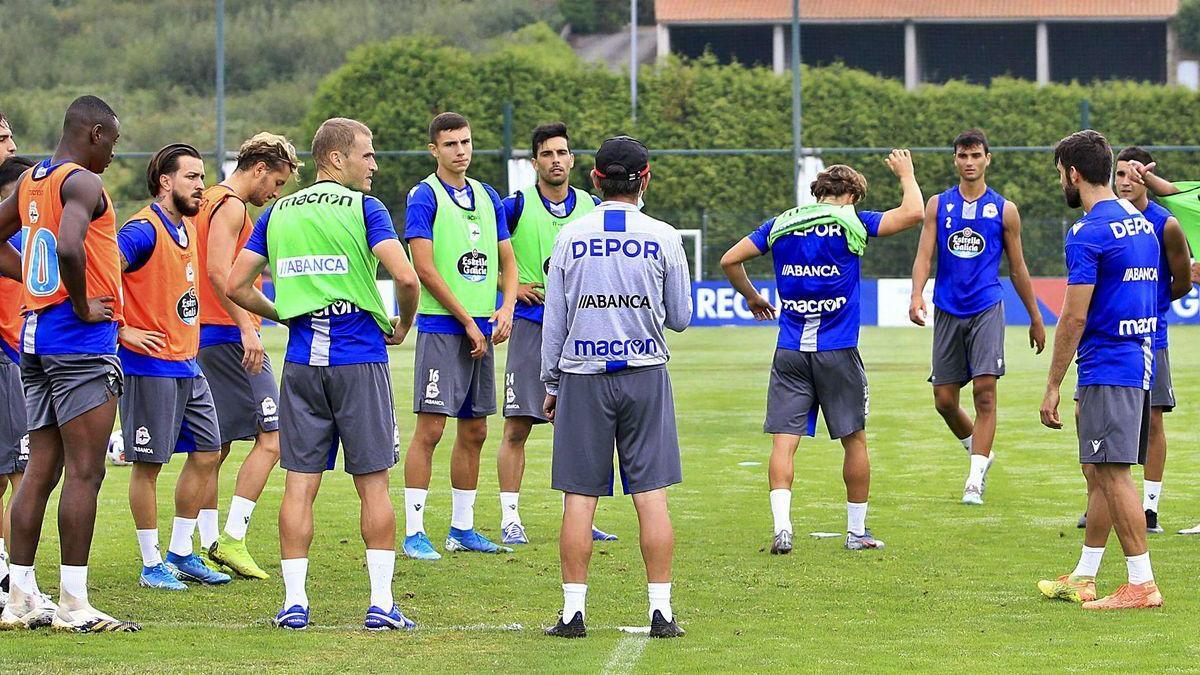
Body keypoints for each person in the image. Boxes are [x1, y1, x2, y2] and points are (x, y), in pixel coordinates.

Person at [227, 117, 420, 631]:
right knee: (373, 484)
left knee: (299, 484)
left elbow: (235, 284)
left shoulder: (277, 211)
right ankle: (381, 605)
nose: (374, 163)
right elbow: (404, 274)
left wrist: (283, 313)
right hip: (358, 356)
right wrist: (402, 322)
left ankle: (295, 603)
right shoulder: (365, 208)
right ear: (336, 158)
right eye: (368, 153)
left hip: (302, 362)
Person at [721, 151, 924, 555]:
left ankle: (782, 528)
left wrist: (753, 297)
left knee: (784, 441)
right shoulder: (854, 221)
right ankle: (856, 532)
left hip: (790, 350)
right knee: (854, 441)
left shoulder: (781, 223)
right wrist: (906, 173)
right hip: (838, 350)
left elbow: (729, 259)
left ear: (818, 193)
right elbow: (914, 213)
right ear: (851, 194)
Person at [541, 135, 690, 639]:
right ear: (645, 178)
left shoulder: (569, 237)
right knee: (650, 496)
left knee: (580, 498)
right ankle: (662, 612)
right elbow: (682, 317)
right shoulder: (666, 236)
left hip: (582, 377)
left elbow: (553, 322)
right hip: (646, 373)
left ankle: (573, 613)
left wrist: (550, 382)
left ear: (594, 179)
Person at [0, 96, 139, 631]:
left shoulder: (33, 178)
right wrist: (79, 302)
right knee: (85, 470)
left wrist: (31, 282)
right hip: (79, 342)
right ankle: (75, 603)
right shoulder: (82, 183)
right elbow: (69, 246)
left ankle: (19, 599)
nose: (113, 154)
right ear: (96, 133)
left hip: (35, 338)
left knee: (39, 469)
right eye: (114, 142)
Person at [1038, 129, 1163, 610]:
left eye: (1060, 175)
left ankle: (1141, 584)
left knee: (1111, 473)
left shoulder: (1088, 232)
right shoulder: (1141, 223)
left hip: (1110, 363)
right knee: (1098, 470)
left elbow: (1073, 315)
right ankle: (1085, 575)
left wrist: (1052, 385)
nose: (1061, 184)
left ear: (1073, 173)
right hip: (1133, 357)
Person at [402, 112, 518, 559]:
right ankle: (414, 531)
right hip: (442, 327)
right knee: (430, 429)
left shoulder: (488, 196)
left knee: (475, 431)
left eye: (466, 142)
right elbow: (424, 267)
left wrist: (505, 307)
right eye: (450, 144)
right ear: (434, 150)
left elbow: (507, 259)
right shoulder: (424, 196)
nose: (461, 151)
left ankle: (462, 528)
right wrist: (469, 321)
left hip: (482, 327)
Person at [909, 129, 1045, 505]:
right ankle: (980, 453)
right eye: (963, 156)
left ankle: (974, 479)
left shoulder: (1005, 210)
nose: (969, 162)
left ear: (988, 159)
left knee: (985, 393)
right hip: (947, 308)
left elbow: (1018, 268)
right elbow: (924, 255)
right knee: (944, 400)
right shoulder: (938, 205)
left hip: (986, 306)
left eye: (975, 155)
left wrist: (1035, 317)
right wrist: (917, 293)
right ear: (955, 160)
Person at [117, 144, 231, 590]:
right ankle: (151, 564)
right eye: (191, 177)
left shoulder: (185, 228)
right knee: (149, 466)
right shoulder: (142, 230)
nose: (200, 186)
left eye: (202, 177)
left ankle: (181, 552)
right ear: (166, 182)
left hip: (187, 362)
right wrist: (121, 329)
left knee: (208, 452)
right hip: (149, 366)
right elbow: (100, 272)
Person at [495, 121, 615, 545]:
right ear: (535, 162)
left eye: (562, 153)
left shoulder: (592, 206)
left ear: (573, 159)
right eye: (547, 154)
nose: (556, 160)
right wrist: (508, 286)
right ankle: (511, 517)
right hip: (531, 328)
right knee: (518, 426)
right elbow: (474, 253)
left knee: (582, 428)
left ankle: (579, 517)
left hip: (581, 329)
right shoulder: (516, 205)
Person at [196, 132, 301, 579]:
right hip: (228, 333)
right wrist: (247, 328)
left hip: (204, 330)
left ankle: (197, 545)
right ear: (259, 169)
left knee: (213, 448)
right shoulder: (232, 205)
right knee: (273, 437)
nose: (275, 194)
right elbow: (220, 270)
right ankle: (231, 539)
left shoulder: (207, 199)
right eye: (276, 183)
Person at [1121, 155, 1200, 535]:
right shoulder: (1108, 221)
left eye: (1135, 173)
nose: (1126, 179)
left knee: (1152, 420)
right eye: (1119, 173)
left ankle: (1149, 509)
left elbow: (1183, 281)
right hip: (1112, 340)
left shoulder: (1165, 223)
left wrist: (1149, 306)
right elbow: (1171, 189)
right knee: (1091, 417)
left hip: (1155, 336)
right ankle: (1102, 501)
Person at [0, 155, 34, 611]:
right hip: (8, 355)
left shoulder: (25, 232)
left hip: (21, 355)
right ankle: (15, 579)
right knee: (22, 471)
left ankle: (11, 573)